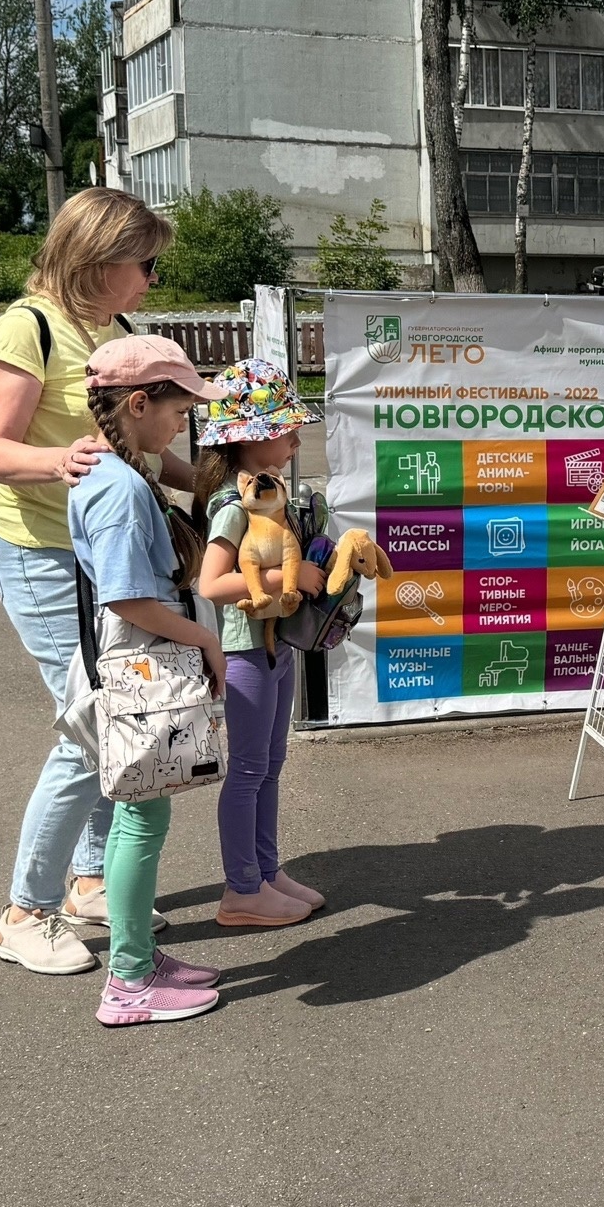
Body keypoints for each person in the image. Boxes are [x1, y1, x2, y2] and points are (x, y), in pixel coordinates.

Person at [0, 188, 183, 975]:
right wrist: (56, 462)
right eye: (145, 263)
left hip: (104, 560)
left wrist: (213, 480)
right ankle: (24, 910)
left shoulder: (112, 331)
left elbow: (138, 446)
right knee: (94, 724)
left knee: (111, 718)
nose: (152, 280)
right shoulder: (25, 329)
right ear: (99, 259)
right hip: (45, 556)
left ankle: (92, 878)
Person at [71, 336, 231, 1026]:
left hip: (139, 668)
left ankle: (137, 953)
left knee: (144, 813)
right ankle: (129, 981)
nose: (181, 430)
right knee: (140, 817)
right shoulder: (119, 490)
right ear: (138, 404)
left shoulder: (114, 473)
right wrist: (205, 642)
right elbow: (126, 599)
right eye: (177, 413)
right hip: (143, 669)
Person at [192, 358, 335, 930]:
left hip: (273, 650)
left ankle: (266, 873)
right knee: (250, 770)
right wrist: (286, 579)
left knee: (271, 764)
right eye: (286, 431)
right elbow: (212, 583)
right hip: (245, 651)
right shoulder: (233, 506)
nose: (297, 440)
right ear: (251, 438)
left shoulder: (266, 494)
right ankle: (241, 889)